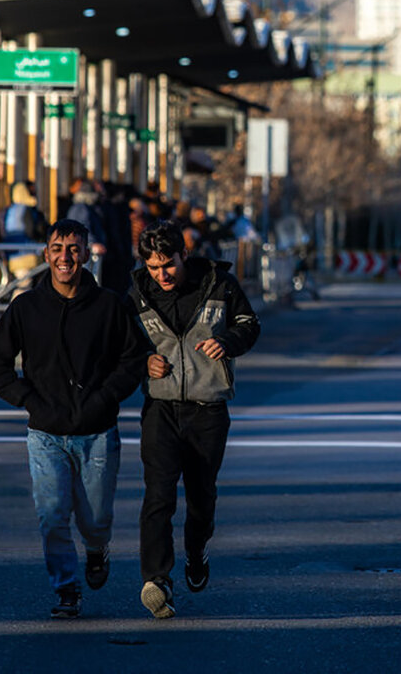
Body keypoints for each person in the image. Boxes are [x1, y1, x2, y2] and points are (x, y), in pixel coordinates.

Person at [0, 218, 146, 619]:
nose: (65, 257)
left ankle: (96, 550)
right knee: (52, 515)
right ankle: (66, 588)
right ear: (46, 254)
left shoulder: (109, 305)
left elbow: (134, 359)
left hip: (97, 432)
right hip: (45, 433)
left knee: (95, 519)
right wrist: (29, 401)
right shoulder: (26, 308)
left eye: (74, 249)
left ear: (87, 254)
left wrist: (106, 397)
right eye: (58, 248)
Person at [129, 220, 261, 619]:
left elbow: (249, 325)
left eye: (168, 264)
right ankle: (156, 580)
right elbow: (122, 344)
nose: (162, 274)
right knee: (158, 496)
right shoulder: (136, 294)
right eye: (153, 267)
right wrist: (141, 362)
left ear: (184, 255)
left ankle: (197, 552)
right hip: (161, 410)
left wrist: (227, 342)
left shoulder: (219, 284)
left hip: (208, 410)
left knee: (201, 497)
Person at [0, 182, 48, 294]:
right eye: (31, 191)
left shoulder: (11, 210)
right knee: (23, 288)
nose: (34, 194)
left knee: (23, 287)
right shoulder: (24, 210)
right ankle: (16, 312)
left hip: (15, 254)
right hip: (25, 254)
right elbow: (31, 231)